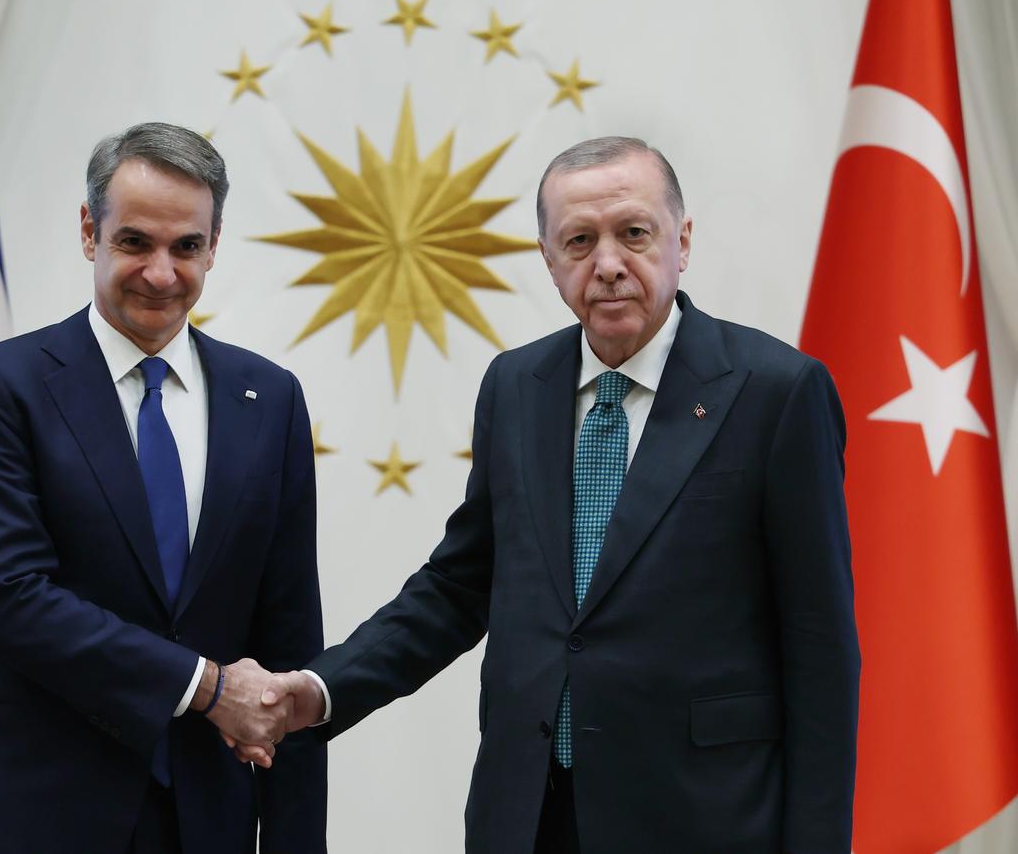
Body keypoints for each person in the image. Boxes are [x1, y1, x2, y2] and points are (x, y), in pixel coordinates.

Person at [259, 137, 859, 852]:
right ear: (549, 260)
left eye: (634, 233)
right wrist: (324, 686)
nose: (607, 264)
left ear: (683, 240)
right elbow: (458, 585)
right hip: (529, 816)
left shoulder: (778, 392)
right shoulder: (516, 387)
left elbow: (821, 649)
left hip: (702, 818)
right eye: (579, 240)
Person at [0, 122, 326, 853]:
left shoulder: (269, 399)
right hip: (38, 816)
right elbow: (9, 600)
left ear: (214, 245)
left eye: (186, 246)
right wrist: (207, 686)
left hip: (206, 820)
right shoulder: (1, 388)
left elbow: (288, 641)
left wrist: (295, 838)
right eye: (135, 242)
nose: (161, 272)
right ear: (91, 232)